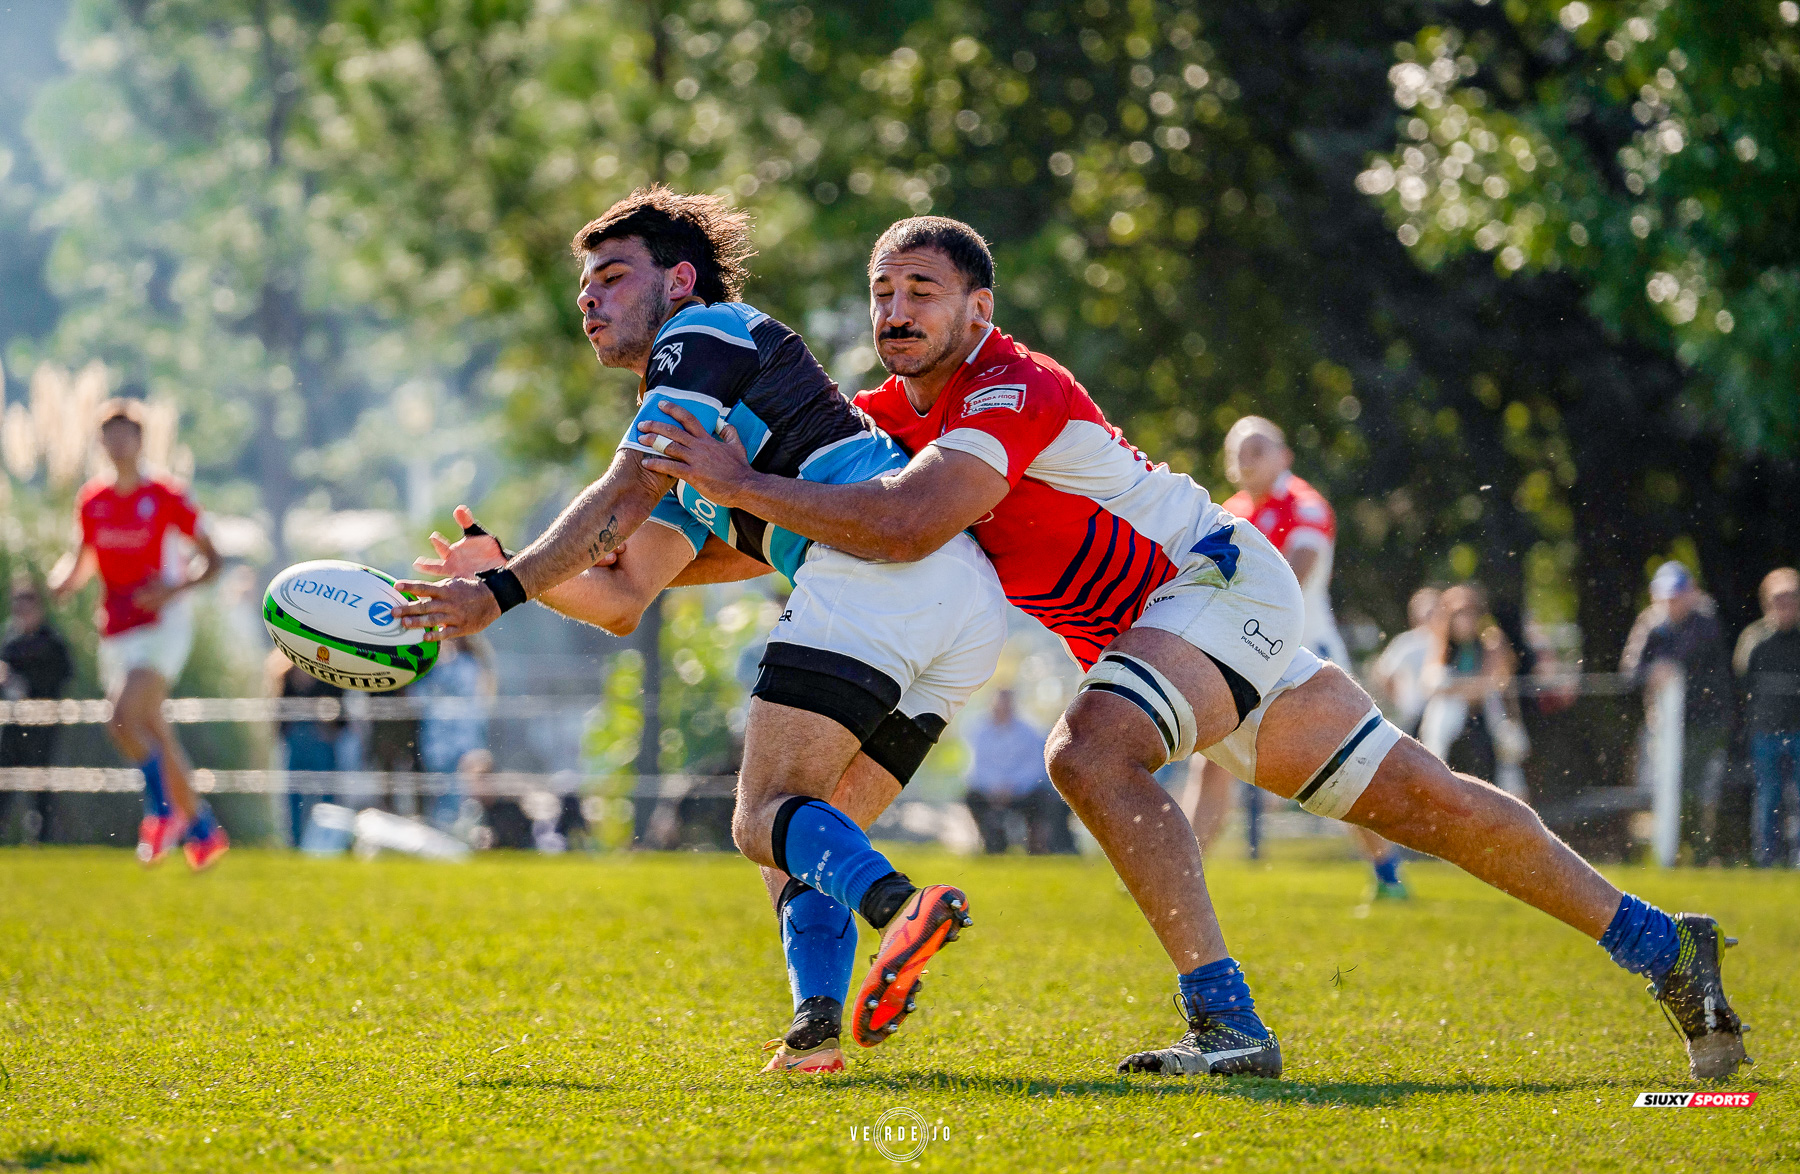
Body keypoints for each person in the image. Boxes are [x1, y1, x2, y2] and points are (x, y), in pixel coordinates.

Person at [638, 215, 1750, 1080]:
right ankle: (1664, 947)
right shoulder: (883, 416)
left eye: (922, 289)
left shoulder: (1011, 383)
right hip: (1174, 634)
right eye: (883, 292)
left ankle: (1226, 1022)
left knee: (1089, 751)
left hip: (1211, 585)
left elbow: (908, 521)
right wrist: (639, 569)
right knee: (1433, 806)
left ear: (980, 306)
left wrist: (737, 481)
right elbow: (819, 524)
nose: (896, 308)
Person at [395, 188, 1008, 1076]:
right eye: (584, 286)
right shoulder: (699, 424)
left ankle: (899, 906)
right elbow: (623, 596)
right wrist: (508, 563)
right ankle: (815, 1032)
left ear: (679, 281)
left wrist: (499, 590)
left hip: (874, 575)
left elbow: (622, 492)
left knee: (761, 817)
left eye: (614, 275)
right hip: (960, 603)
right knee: (810, 835)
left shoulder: (703, 333)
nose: (590, 297)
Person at [1182, 417, 1407, 897]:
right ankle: (1179, 872)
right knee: (1211, 761)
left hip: (1307, 655)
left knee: (1341, 768)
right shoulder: (1231, 512)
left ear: (1284, 456)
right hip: (1248, 652)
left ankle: (1388, 870)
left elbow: (1294, 575)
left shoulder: (1305, 504)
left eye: (1257, 449)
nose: (1246, 460)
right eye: (1238, 451)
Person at [48, 399, 228, 870]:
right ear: (100, 442)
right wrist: (63, 581)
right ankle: (203, 828)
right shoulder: (92, 499)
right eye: (109, 435)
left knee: (122, 719)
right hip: (116, 629)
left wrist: (172, 590)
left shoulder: (167, 494)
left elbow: (214, 560)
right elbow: (83, 557)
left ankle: (162, 811)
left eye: (125, 434)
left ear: (141, 440)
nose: (117, 443)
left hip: (162, 626)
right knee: (152, 730)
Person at [1622, 562, 1739, 864]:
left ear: (1691, 593)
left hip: (1706, 722)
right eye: (1666, 597)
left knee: (1694, 789)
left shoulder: (1706, 622)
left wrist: (1667, 667)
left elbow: (1690, 661)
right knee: (1667, 788)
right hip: (1666, 726)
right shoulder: (1651, 624)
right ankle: (1675, 852)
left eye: (1677, 596)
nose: (1671, 603)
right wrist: (1652, 672)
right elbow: (1630, 671)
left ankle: (1698, 854)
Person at [1416, 583, 1524, 786]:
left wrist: (1453, 687)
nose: (1465, 620)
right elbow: (1429, 684)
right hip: (1450, 733)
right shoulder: (1442, 644)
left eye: (1470, 613)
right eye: (1459, 614)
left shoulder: (1491, 642)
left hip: (1484, 725)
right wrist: (1460, 687)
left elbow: (1490, 685)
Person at [0, 575, 74, 842]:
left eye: (27, 602)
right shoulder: (10, 639)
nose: (21, 608)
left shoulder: (52, 641)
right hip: (13, 723)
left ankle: (42, 839)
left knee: (40, 782)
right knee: (5, 779)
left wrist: (30, 686)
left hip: (43, 725)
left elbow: (65, 674)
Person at [1740, 568, 1800, 867]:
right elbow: (1742, 684)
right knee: (1768, 798)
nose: (1785, 605)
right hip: (1765, 732)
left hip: (1798, 731)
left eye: (1791, 598)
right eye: (1779, 599)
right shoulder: (1755, 640)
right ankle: (1766, 859)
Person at [962, 688, 1068, 855]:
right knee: (972, 797)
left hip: (1021, 791)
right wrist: (995, 787)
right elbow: (977, 766)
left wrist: (1013, 787)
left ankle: (1036, 844)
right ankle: (993, 841)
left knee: (1043, 799)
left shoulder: (1029, 731)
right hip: (990, 791)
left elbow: (1034, 767)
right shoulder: (978, 731)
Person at [412, 634, 497, 827]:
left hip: (464, 740)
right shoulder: (433, 669)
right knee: (440, 791)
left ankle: (464, 829)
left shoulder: (469, 665)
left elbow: (477, 703)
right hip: (437, 742)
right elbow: (418, 698)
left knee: (463, 792)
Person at [266, 648, 345, 848]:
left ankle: (328, 843)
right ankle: (294, 843)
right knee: (293, 797)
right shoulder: (285, 673)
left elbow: (340, 710)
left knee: (327, 795)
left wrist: (331, 726)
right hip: (296, 742)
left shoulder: (331, 672)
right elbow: (279, 713)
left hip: (322, 741)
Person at [1371, 587, 1445, 737]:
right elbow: (1384, 674)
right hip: (1414, 714)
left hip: (1440, 711)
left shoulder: (1447, 642)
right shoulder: (1407, 642)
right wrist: (1399, 701)